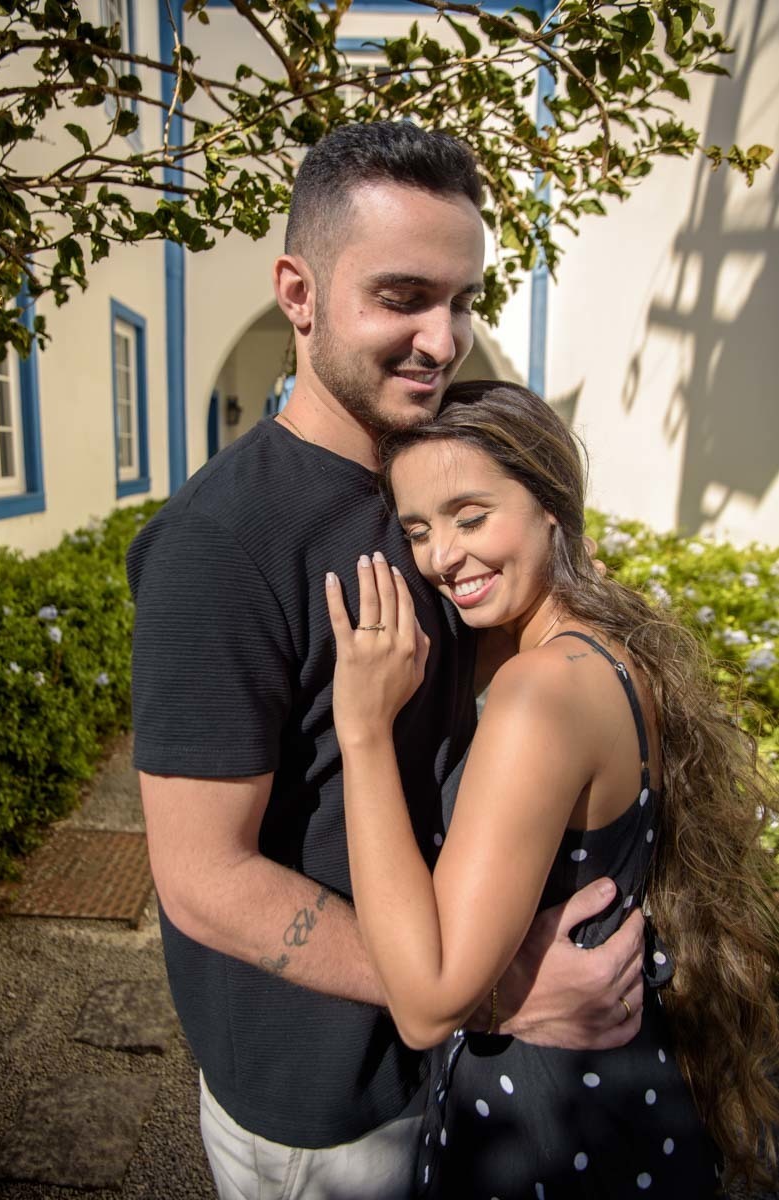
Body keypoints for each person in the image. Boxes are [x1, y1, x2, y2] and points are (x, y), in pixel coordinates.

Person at [127, 123, 647, 1200]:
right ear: (299, 293)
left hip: (459, 1070)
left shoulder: (433, 482)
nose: (441, 339)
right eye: (402, 298)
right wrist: (486, 989)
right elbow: (202, 879)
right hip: (333, 1108)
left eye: (462, 301)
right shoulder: (220, 544)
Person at [325, 379, 779, 1197]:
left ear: (550, 507)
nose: (440, 557)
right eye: (419, 530)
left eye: (470, 517)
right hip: (621, 1104)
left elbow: (427, 1004)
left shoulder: (539, 690)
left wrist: (361, 731)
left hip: (539, 1126)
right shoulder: (601, 643)